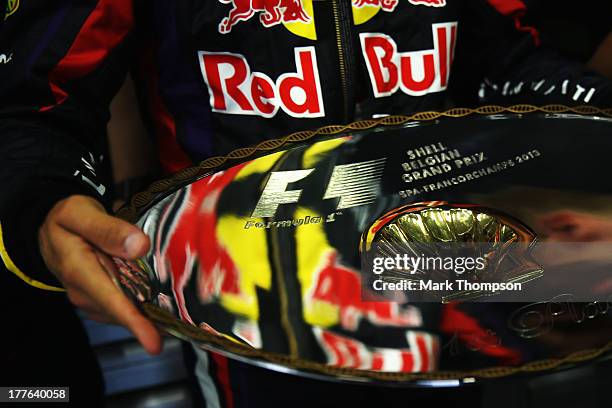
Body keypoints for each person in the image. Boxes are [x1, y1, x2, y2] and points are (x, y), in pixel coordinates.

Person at [1, 0, 611, 407]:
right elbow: (29, 101)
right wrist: (44, 200)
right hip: (250, 291)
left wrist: (595, 110)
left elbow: (508, 58)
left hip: (440, 262)